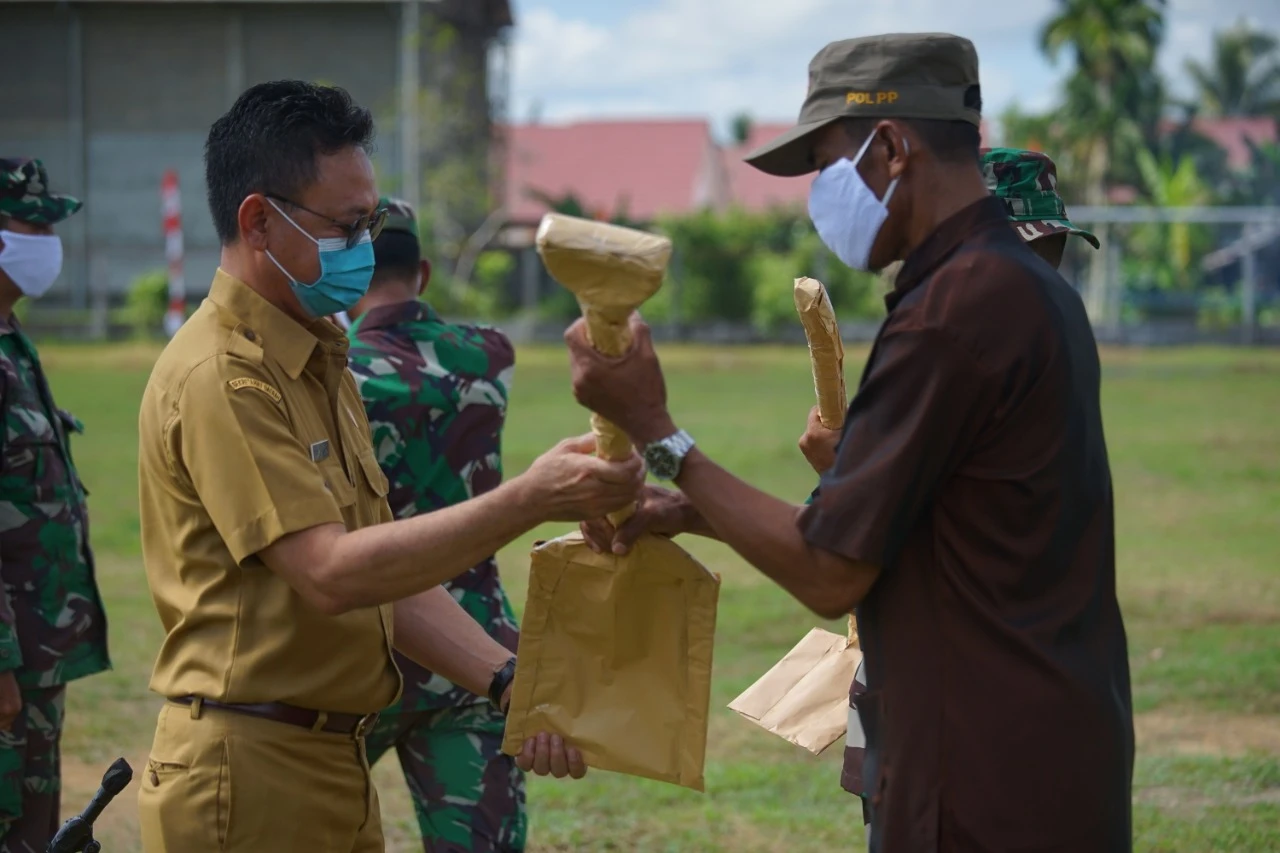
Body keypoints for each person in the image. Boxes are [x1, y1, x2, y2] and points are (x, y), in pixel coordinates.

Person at [569, 33, 1134, 853]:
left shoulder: (953, 313)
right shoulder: (1023, 288)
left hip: (980, 783)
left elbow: (828, 570)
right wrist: (685, 510)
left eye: (829, 163)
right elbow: (890, 528)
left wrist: (656, 429)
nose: (821, 193)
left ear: (893, 147)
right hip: (1044, 753)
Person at [135, 81, 642, 853]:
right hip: (249, 775)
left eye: (369, 224)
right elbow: (331, 573)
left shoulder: (322, 360)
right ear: (258, 220)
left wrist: (509, 679)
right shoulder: (225, 378)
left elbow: (384, 576)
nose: (363, 248)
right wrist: (529, 499)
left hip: (330, 760)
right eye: (345, 227)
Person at [795, 144, 1105, 838]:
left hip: (968, 705)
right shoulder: (1003, 340)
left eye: (1048, 250)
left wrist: (838, 470)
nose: (1039, 270)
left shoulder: (978, 349)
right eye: (1027, 248)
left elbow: (855, 537)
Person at [345, 198, 526, 852]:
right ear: (421, 273)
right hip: (478, 648)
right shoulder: (489, 353)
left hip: (362, 649)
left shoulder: (330, 370)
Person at [0, 158, 111, 853]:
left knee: (32, 830)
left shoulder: (13, 342)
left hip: (36, 653)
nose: (48, 242)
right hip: (10, 663)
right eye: (33, 225)